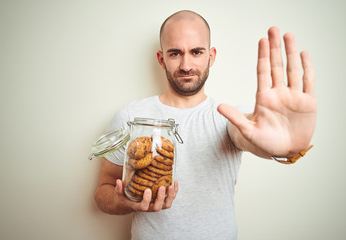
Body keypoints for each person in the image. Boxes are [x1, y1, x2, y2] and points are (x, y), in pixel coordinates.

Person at [94, 10, 316, 240]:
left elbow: (248, 134)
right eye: (175, 53)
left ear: (211, 56)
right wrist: (126, 201)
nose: (186, 65)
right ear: (161, 59)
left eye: (196, 52)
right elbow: (103, 191)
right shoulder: (131, 116)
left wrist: (287, 148)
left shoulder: (229, 117)